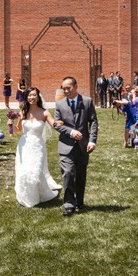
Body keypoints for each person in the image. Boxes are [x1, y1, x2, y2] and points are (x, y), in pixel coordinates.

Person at [54, 76, 98, 216]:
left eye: (68, 87)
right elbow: (57, 124)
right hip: (65, 145)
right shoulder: (59, 104)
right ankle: (68, 204)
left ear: (75, 86)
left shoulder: (87, 101)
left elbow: (94, 122)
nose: (66, 90)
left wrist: (92, 141)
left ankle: (79, 201)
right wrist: (71, 132)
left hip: (82, 146)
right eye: (64, 88)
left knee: (80, 176)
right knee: (67, 173)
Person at [14, 87, 62, 207]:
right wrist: (12, 123)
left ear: (38, 97)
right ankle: (27, 196)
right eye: (29, 95)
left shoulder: (44, 112)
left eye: (34, 95)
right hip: (24, 146)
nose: (32, 97)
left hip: (37, 146)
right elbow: (18, 130)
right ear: (26, 97)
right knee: (24, 171)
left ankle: (38, 195)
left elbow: (53, 124)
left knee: (34, 171)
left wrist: (59, 123)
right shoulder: (23, 112)